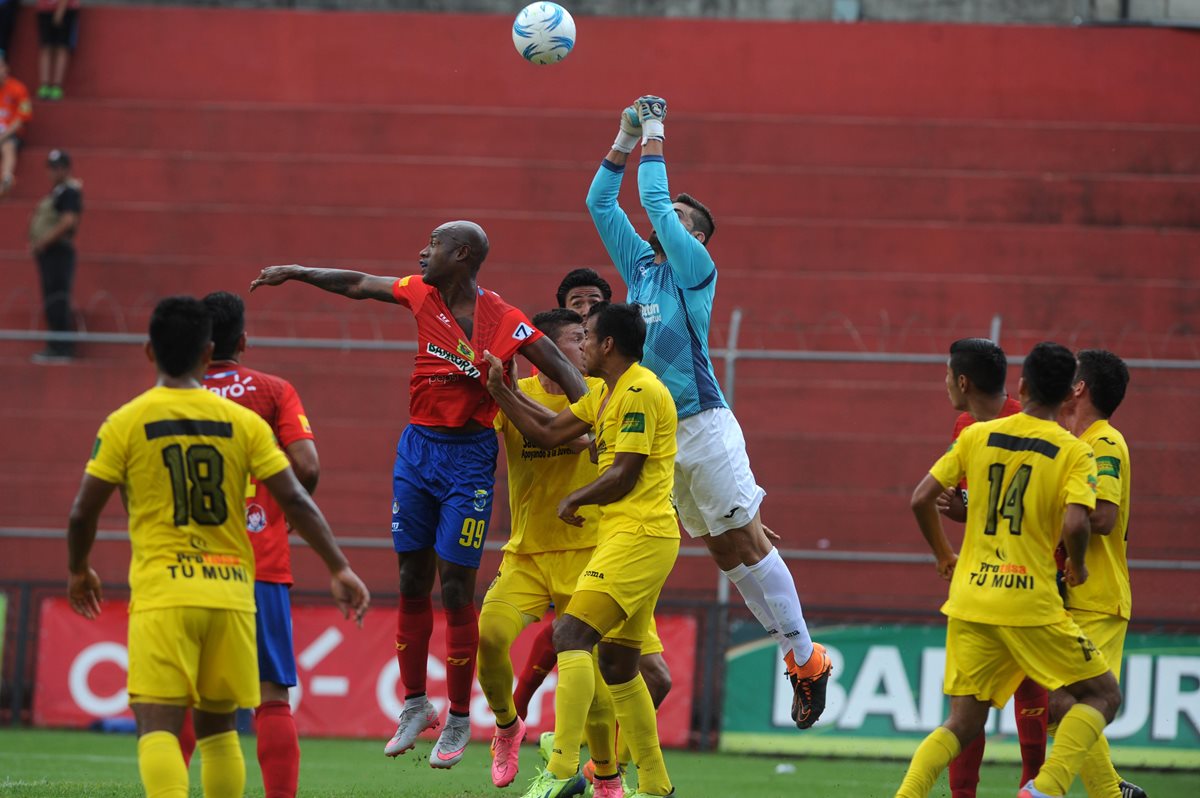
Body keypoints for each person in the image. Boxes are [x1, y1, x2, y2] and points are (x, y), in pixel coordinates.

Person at [248, 220, 588, 769]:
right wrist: (298, 272)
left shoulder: (508, 323)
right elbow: (360, 283)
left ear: (460, 254)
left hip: (470, 459)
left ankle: (457, 717)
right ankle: (414, 705)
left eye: (431, 245)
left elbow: (573, 378)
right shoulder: (420, 292)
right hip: (416, 451)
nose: (420, 252)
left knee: (455, 587)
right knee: (409, 576)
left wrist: (589, 427)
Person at [585, 95, 830, 728]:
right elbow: (600, 205)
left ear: (693, 236)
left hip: (704, 423)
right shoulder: (640, 269)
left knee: (745, 541)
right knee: (724, 555)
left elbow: (657, 207)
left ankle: (804, 660)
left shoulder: (695, 267)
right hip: (660, 434)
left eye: (674, 219)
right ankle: (800, 653)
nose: (658, 224)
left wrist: (657, 133)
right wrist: (622, 138)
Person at [65, 296, 370, 798]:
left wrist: (79, 570)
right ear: (210, 352)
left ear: (148, 351)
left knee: (159, 722)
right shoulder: (247, 421)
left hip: (166, 589)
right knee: (223, 728)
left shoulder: (126, 420)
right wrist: (338, 566)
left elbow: (82, 512)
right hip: (235, 588)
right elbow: (298, 489)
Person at [895, 341, 1122, 798]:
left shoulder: (976, 435)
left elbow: (921, 497)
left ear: (1021, 385)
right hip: (1030, 601)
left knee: (960, 723)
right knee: (1102, 696)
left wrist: (944, 555)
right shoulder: (1074, 450)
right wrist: (1077, 566)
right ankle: (1045, 788)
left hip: (971, 598)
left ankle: (907, 795)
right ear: (1066, 398)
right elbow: (1079, 521)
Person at [483, 301, 678, 798]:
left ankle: (558, 768)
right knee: (617, 665)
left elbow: (624, 473)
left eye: (587, 337)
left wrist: (575, 496)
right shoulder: (608, 394)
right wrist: (502, 392)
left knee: (571, 634)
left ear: (608, 344)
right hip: (623, 534)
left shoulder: (638, 390)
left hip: (639, 534)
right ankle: (655, 788)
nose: (581, 347)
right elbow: (547, 431)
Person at [479, 307, 625, 792]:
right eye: (575, 337)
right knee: (491, 637)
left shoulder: (603, 394)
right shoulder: (515, 393)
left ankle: (605, 777)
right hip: (525, 553)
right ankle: (507, 726)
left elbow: (567, 437)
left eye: (589, 336)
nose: (585, 345)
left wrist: (507, 392)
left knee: (594, 676)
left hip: (588, 551)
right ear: (542, 347)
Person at [190, 291, 317, 798]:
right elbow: (306, 466)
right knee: (271, 698)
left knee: (185, 696)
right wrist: (284, 510)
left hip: (187, 563)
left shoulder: (178, 393)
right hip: (258, 559)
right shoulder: (271, 390)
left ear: (201, 344)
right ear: (243, 341)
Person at [935, 338, 1048, 798]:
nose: (944, 383)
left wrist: (942, 549)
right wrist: (961, 507)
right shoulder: (965, 426)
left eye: (946, 375)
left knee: (1032, 689)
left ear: (963, 380)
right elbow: (971, 499)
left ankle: (1032, 784)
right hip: (981, 575)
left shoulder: (1032, 422)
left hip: (1027, 575)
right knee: (969, 704)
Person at [1054, 350, 1144, 798]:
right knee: (1059, 705)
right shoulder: (1077, 441)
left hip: (1098, 598)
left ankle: (1106, 792)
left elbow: (1104, 516)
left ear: (1080, 387)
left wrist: (1048, 516)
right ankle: (1111, 792)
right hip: (1077, 598)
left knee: (1062, 704)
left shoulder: (1104, 443)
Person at [29, 148, 81, 363]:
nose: (53, 172)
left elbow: (69, 221)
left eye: (58, 167)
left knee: (57, 300)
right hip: (49, 253)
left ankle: (61, 347)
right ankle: (54, 345)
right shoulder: (58, 192)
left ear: (66, 169)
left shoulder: (69, 191)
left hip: (57, 250)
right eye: (51, 167)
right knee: (51, 299)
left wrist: (44, 241)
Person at [0, 53, 31, 197]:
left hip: (11, 134)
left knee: (8, 145)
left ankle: (6, 178)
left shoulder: (18, 89)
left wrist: (4, 135)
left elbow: (22, 117)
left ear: (6, 68)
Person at [36, 0, 80, 100]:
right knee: (45, 47)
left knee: (62, 48)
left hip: (66, 10)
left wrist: (60, 10)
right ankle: (45, 84)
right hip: (45, 9)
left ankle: (57, 86)